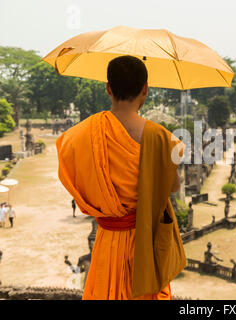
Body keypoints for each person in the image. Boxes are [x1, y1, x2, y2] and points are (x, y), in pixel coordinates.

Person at [56, 56, 185, 300]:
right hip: (145, 244)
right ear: (145, 89)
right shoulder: (161, 137)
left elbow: (77, 181)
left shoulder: (82, 134)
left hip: (107, 239)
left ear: (108, 88)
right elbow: (174, 186)